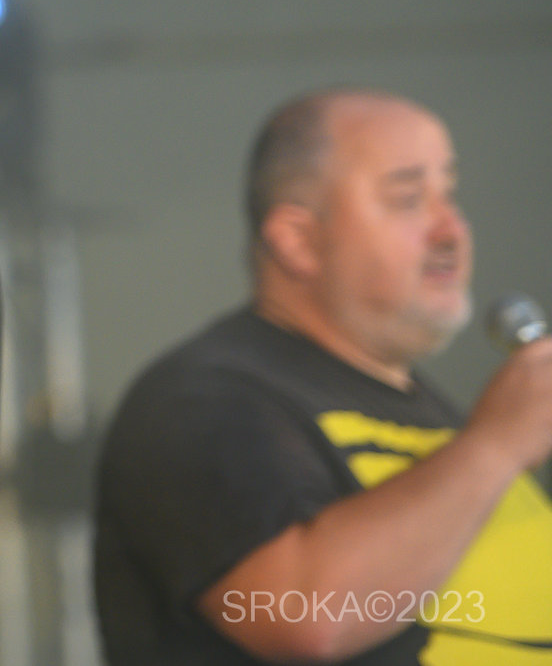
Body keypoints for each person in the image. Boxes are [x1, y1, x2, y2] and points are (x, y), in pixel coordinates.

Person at [93, 88, 552, 664]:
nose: (451, 230)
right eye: (408, 199)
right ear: (298, 240)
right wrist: (496, 446)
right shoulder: (200, 402)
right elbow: (300, 617)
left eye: (450, 195)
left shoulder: (444, 417)